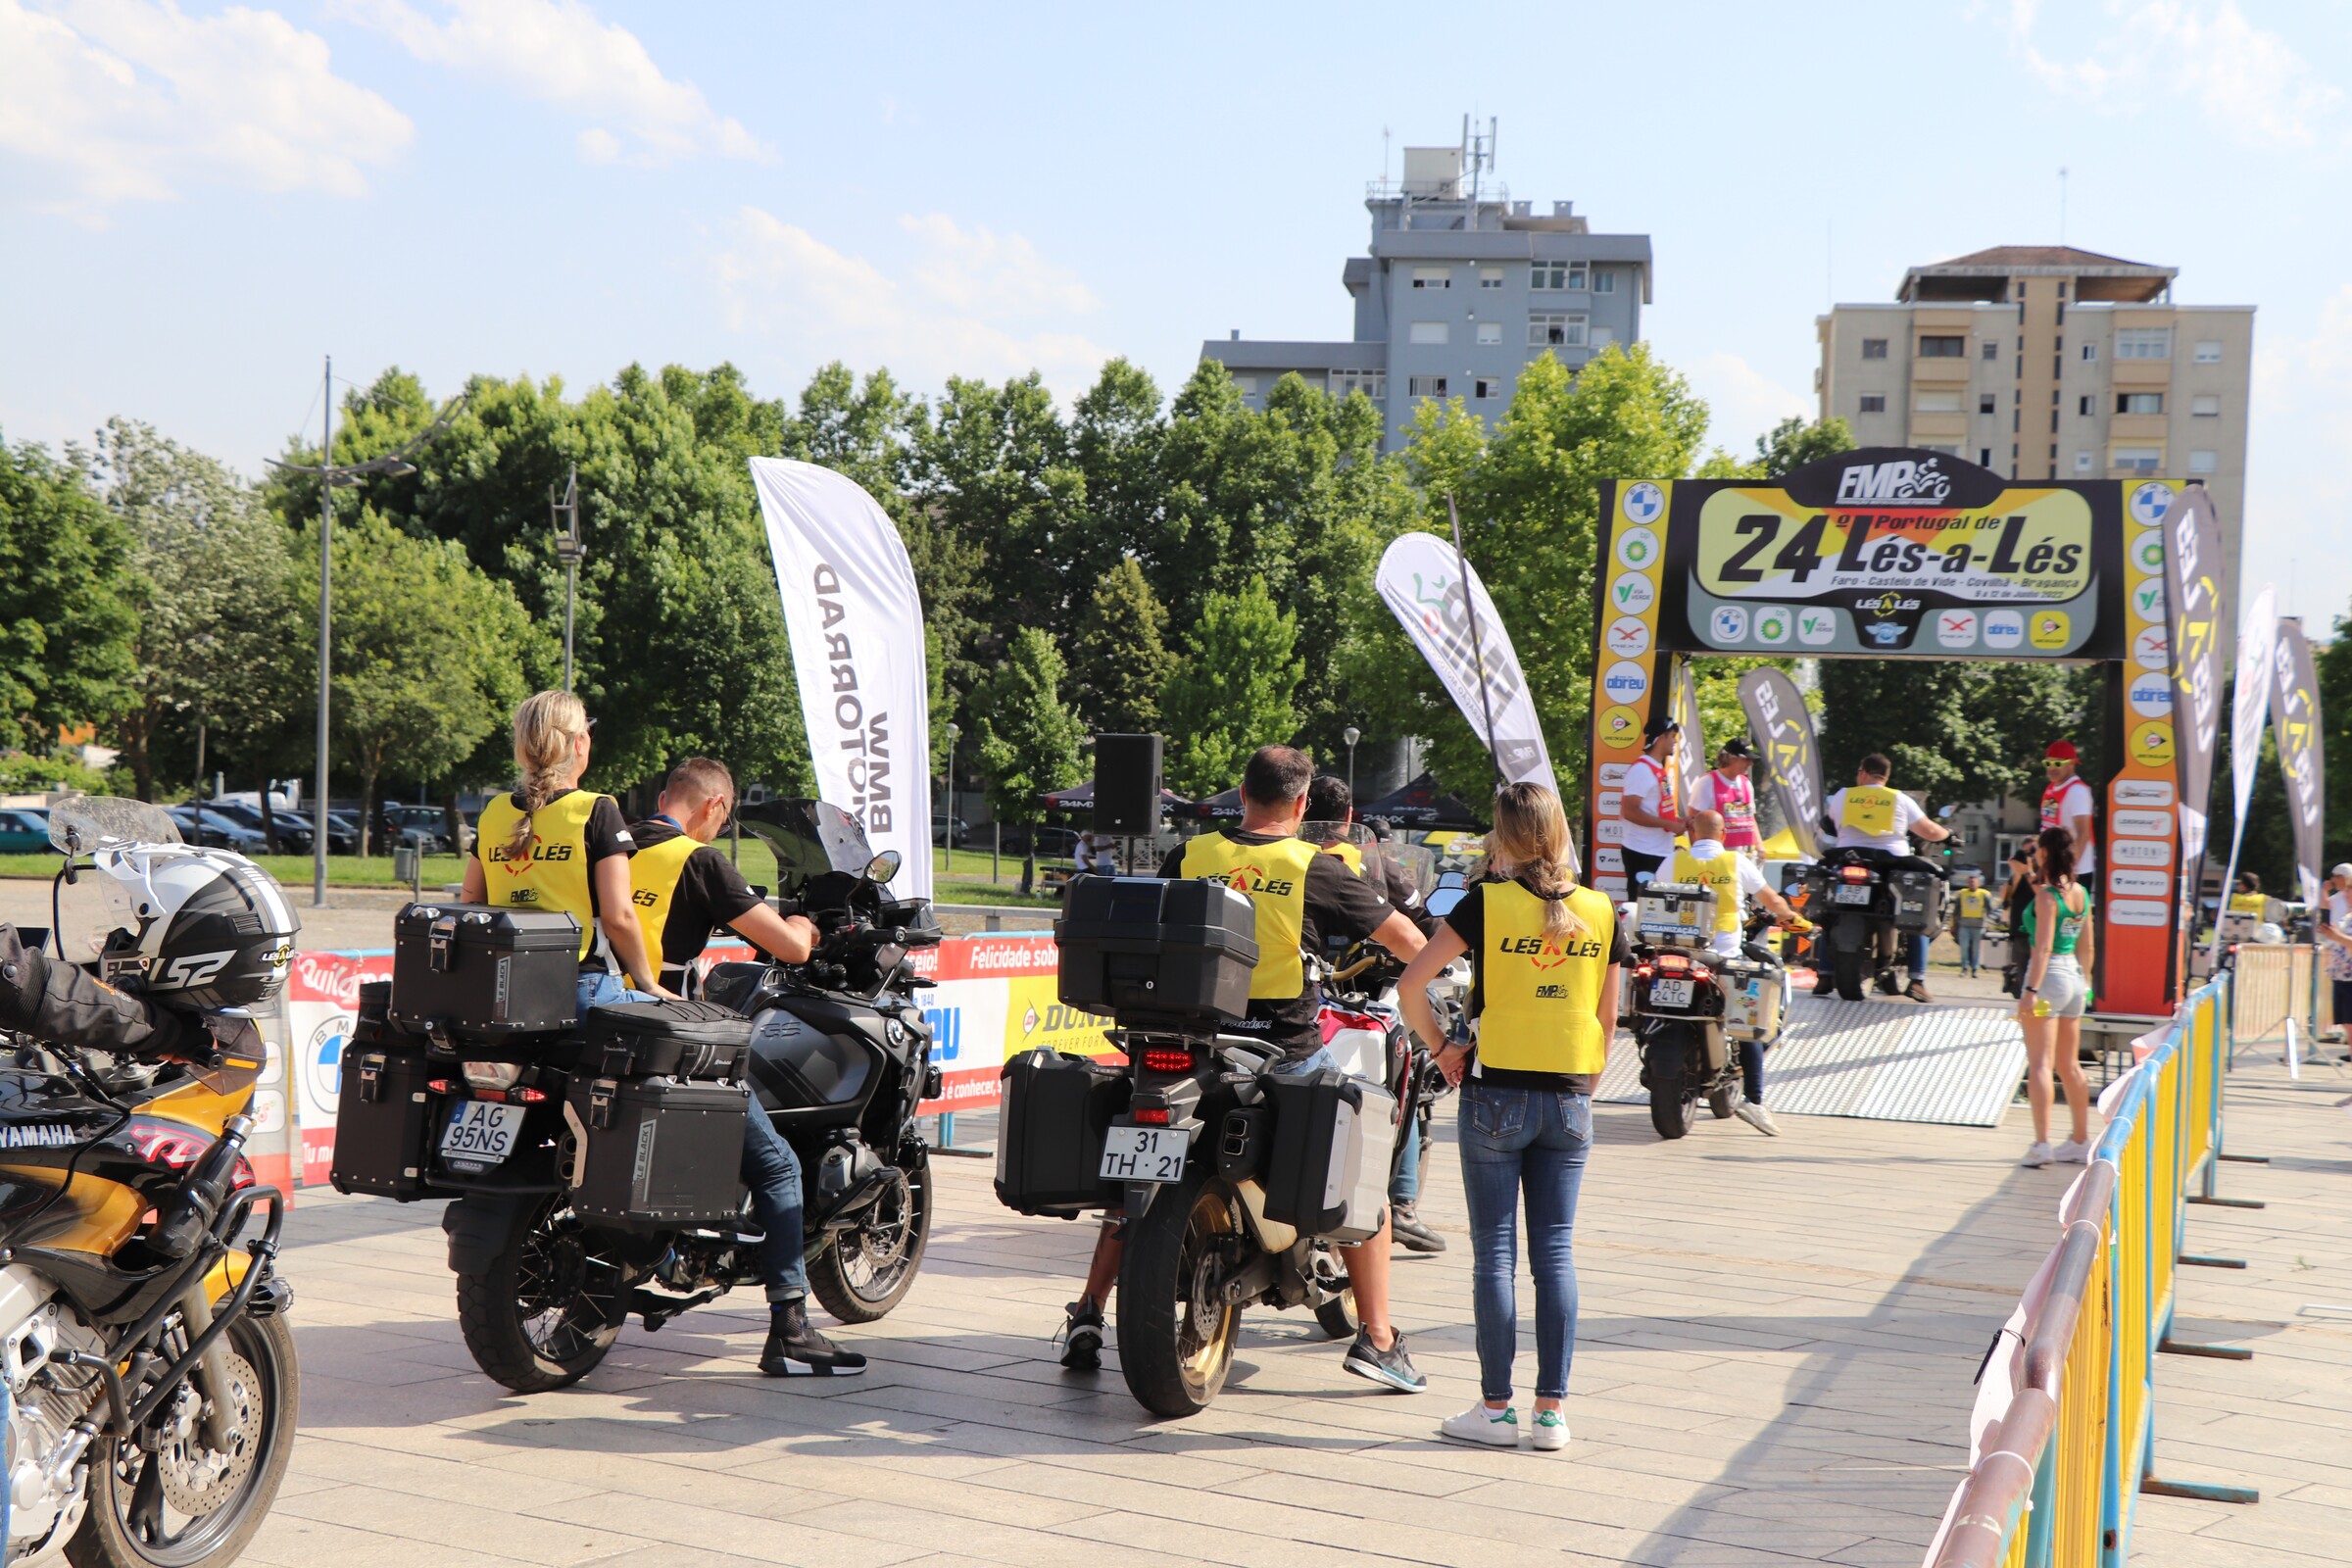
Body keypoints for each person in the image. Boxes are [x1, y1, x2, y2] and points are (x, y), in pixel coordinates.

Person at [1056, 747, 1432, 1392]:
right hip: (1282, 1046)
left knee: (1139, 1167)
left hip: (1184, 1041)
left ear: (1241, 792)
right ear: (1302, 805)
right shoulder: (1313, 866)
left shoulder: (1194, 854)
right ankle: (1377, 1338)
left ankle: (1088, 1310)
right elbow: (1410, 942)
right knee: (1362, 1176)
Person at [1397, 782, 1619, 1453]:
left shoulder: (1486, 903)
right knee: (1555, 1253)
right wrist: (1583, 1081)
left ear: (1504, 837)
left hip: (1495, 1092)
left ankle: (1496, 1410)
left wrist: (1443, 1047)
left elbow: (1412, 984)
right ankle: (1551, 1413)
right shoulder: (1602, 909)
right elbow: (1607, 1020)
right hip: (1569, 1095)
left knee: (1494, 1254)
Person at [626, 758, 865, 1377]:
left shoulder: (614, 845)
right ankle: (790, 1323)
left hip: (595, 1020)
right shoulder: (698, 860)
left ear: (661, 797)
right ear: (717, 808)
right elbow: (788, 947)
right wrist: (806, 923)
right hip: (662, 1027)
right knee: (778, 1163)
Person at [1301, 774, 1442, 1255]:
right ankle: (1400, 1205)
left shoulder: (1290, 858)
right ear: (1348, 817)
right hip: (1368, 992)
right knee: (1399, 1080)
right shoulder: (1374, 862)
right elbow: (1421, 924)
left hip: (1298, 991)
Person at [461, 691, 669, 1013]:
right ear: (579, 744)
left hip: (507, 985)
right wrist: (647, 982)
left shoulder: (494, 812)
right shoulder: (595, 810)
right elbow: (619, 917)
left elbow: (472, 902)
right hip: (581, 983)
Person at [1668, 809, 1810, 1137]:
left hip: (1681, 957)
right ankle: (1754, 1100)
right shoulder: (1735, 862)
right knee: (1749, 1020)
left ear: (1693, 833)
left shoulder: (1674, 861)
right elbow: (1771, 899)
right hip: (1723, 959)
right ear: (1723, 835)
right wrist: (1791, 918)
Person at [1821, 754, 1951, 1003]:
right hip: (1890, 862)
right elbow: (1928, 831)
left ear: (1863, 773)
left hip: (1846, 858)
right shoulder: (1899, 798)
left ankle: (1825, 975)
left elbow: (1832, 824)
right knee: (1915, 907)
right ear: (1886, 777)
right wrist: (1948, 835)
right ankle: (1917, 980)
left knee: (1830, 914)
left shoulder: (1843, 795)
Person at [2017, 826, 2096, 1167]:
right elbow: (2088, 944)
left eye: (2037, 850)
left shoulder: (2047, 897)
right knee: (2069, 1064)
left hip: (2048, 979)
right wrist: (2087, 982)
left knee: (2040, 1064)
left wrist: (2031, 991)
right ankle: (2080, 1139)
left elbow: (2043, 946)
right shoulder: (2079, 892)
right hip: (2076, 978)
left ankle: (2042, 1144)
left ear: (2046, 853)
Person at [1618, 718, 1687, 889]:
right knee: (1641, 907)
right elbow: (1630, 812)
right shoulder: (1641, 769)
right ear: (1661, 738)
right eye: (1672, 736)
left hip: (1658, 851)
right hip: (1643, 851)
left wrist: (1678, 822)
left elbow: (1655, 810)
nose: (1675, 741)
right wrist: (1669, 825)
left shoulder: (1655, 767)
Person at [1688, 739, 1764, 859]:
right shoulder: (1707, 783)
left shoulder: (1746, 784)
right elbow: (1692, 821)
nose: (1750, 764)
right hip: (1715, 856)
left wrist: (1759, 845)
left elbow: (1750, 817)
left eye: (1751, 760)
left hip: (1741, 856)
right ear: (1731, 758)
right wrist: (1697, 854)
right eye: (1746, 760)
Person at [2040, 741, 2098, 879]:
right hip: (2054, 869)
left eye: (2058, 763)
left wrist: (2069, 869)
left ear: (2072, 763)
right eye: (2048, 763)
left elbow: (2083, 833)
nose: (2052, 768)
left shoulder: (2077, 791)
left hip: (2075, 872)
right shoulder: (2051, 788)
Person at [2320, 864, 2352, 1048]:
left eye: (2350, 892)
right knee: (2348, 1023)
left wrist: (2336, 936)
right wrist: (2328, 933)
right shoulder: (2347, 916)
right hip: (2341, 975)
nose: (2347, 896)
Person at [1999, 851, 2035, 999]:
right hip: (2017, 930)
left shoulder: (2035, 878)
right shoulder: (2014, 879)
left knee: (2029, 967)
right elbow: (2005, 899)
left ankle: (2027, 993)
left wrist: (2027, 872)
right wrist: (2016, 873)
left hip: (2032, 930)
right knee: (2018, 966)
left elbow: (2037, 890)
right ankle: (2019, 992)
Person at [1951, 872, 1991, 979]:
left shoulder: (1984, 894)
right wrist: (1954, 924)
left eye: (1973, 882)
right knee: (1964, 947)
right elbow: (1956, 910)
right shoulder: (1962, 894)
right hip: (1964, 925)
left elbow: (1989, 909)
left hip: (1978, 925)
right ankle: (1964, 968)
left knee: (1975, 949)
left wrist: (1988, 923)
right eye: (1970, 882)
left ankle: (1974, 970)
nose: (1971, 884)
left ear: (1978, 883)